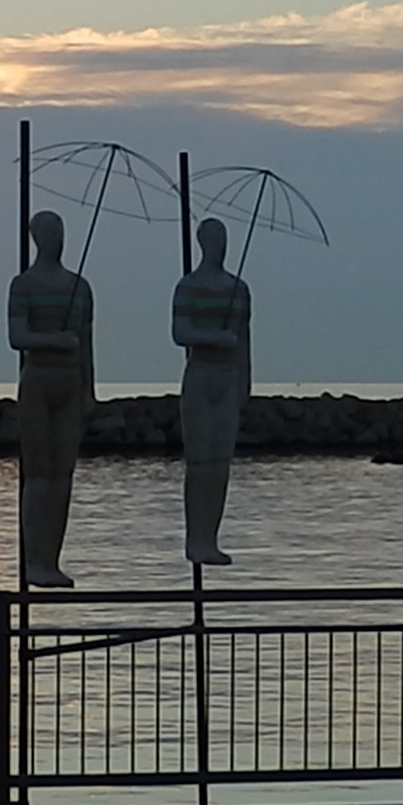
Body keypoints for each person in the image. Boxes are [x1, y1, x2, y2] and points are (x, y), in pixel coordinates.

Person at [8, 210, 94, 587]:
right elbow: (17, 337)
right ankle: (35, 560)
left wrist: (90, 390)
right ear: (36, 237)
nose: (55, 236)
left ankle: (52, 560)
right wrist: (55, 341)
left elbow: (87, 344)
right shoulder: (23, 284)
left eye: (59, 230)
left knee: (63, 478)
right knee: (39, 475)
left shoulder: (81, 287)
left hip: (71, 384)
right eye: (48, 231)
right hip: (39, 380)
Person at [172, 217, 252, 565]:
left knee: (220, 465)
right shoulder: (188, 286)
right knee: (200, 462)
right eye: (214, 238)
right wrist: (213, 338)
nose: (220, 244)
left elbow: (245, 340)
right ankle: (196, 539)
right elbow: (180, 332)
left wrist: (245, 383)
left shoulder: (239, 289)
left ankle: (211, 538)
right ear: (203, 242)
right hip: (201, 375)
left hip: (229, 378)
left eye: (224, 238)